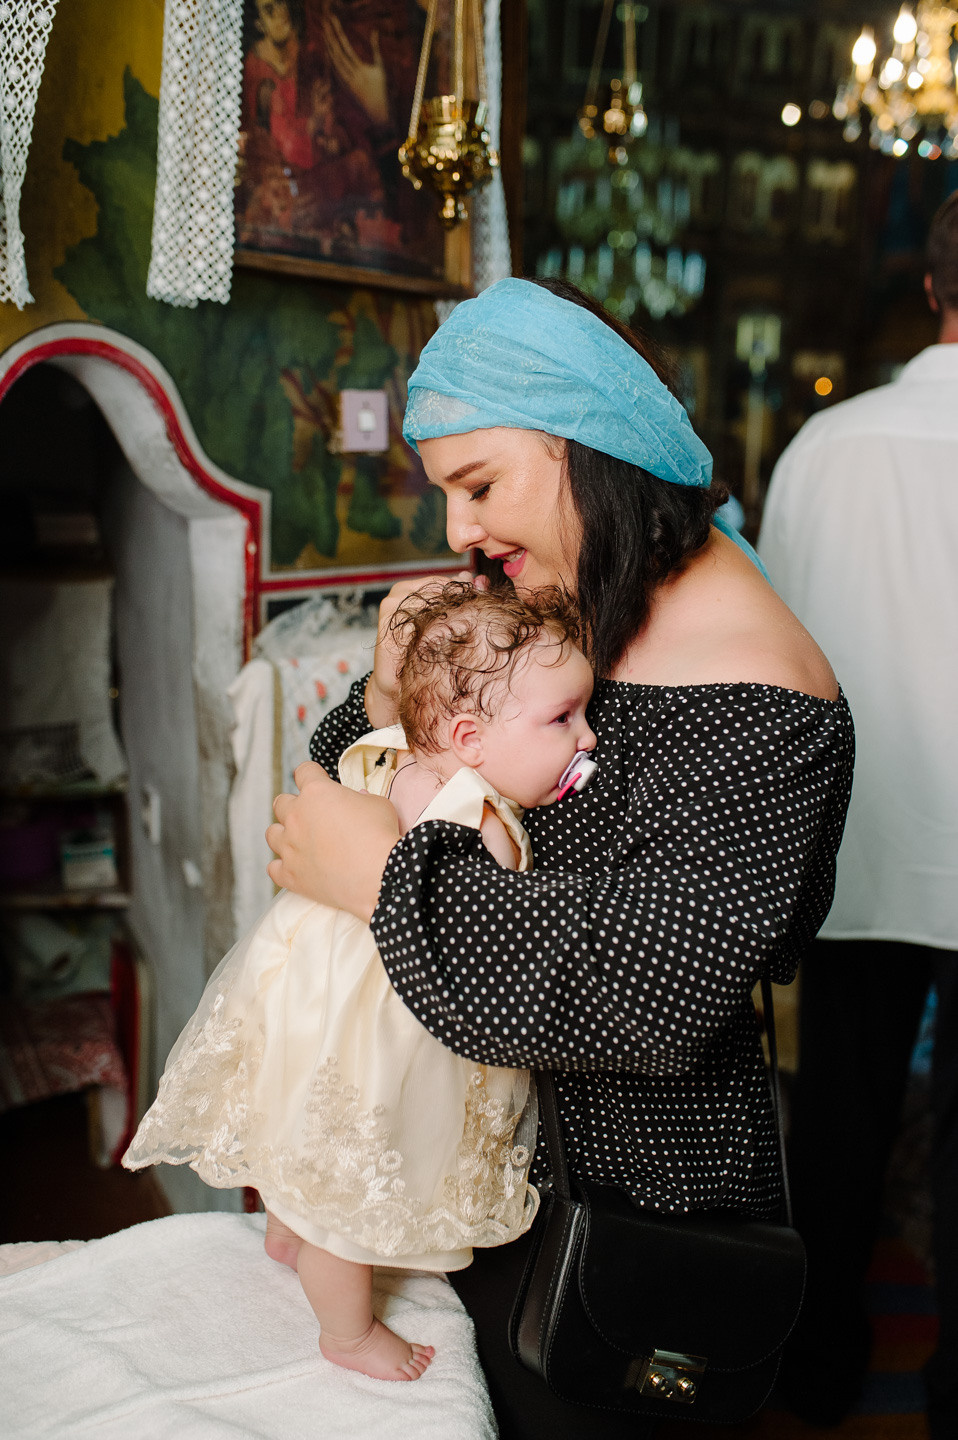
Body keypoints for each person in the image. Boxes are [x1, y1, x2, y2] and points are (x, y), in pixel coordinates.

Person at [266, 276, 854, 1438]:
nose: (456, 532)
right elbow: (355, 776)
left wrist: (379, 877)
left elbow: (650, 986)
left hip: (618, 1205)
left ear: (587, 444)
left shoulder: (765, 700)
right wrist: (384, 694)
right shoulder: (570, 598)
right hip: (459, 1167)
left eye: (479, 486)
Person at [123, 581, 596, 1384]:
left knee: (301, 1124)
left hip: (308, 992)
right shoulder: (474, 818)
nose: (589, 738)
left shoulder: (395, 755)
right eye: (563, 719)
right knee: (355, 1161)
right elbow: (483, 946)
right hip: (386, 1026)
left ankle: (284, 1230)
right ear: (470, 737)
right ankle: (344, 1330)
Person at [757, 189, 958, 1435]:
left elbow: (776, 654)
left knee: (836, 1124)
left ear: (930, 288)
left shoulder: (827, 448)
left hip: (862, 840)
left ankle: (816, 1371)